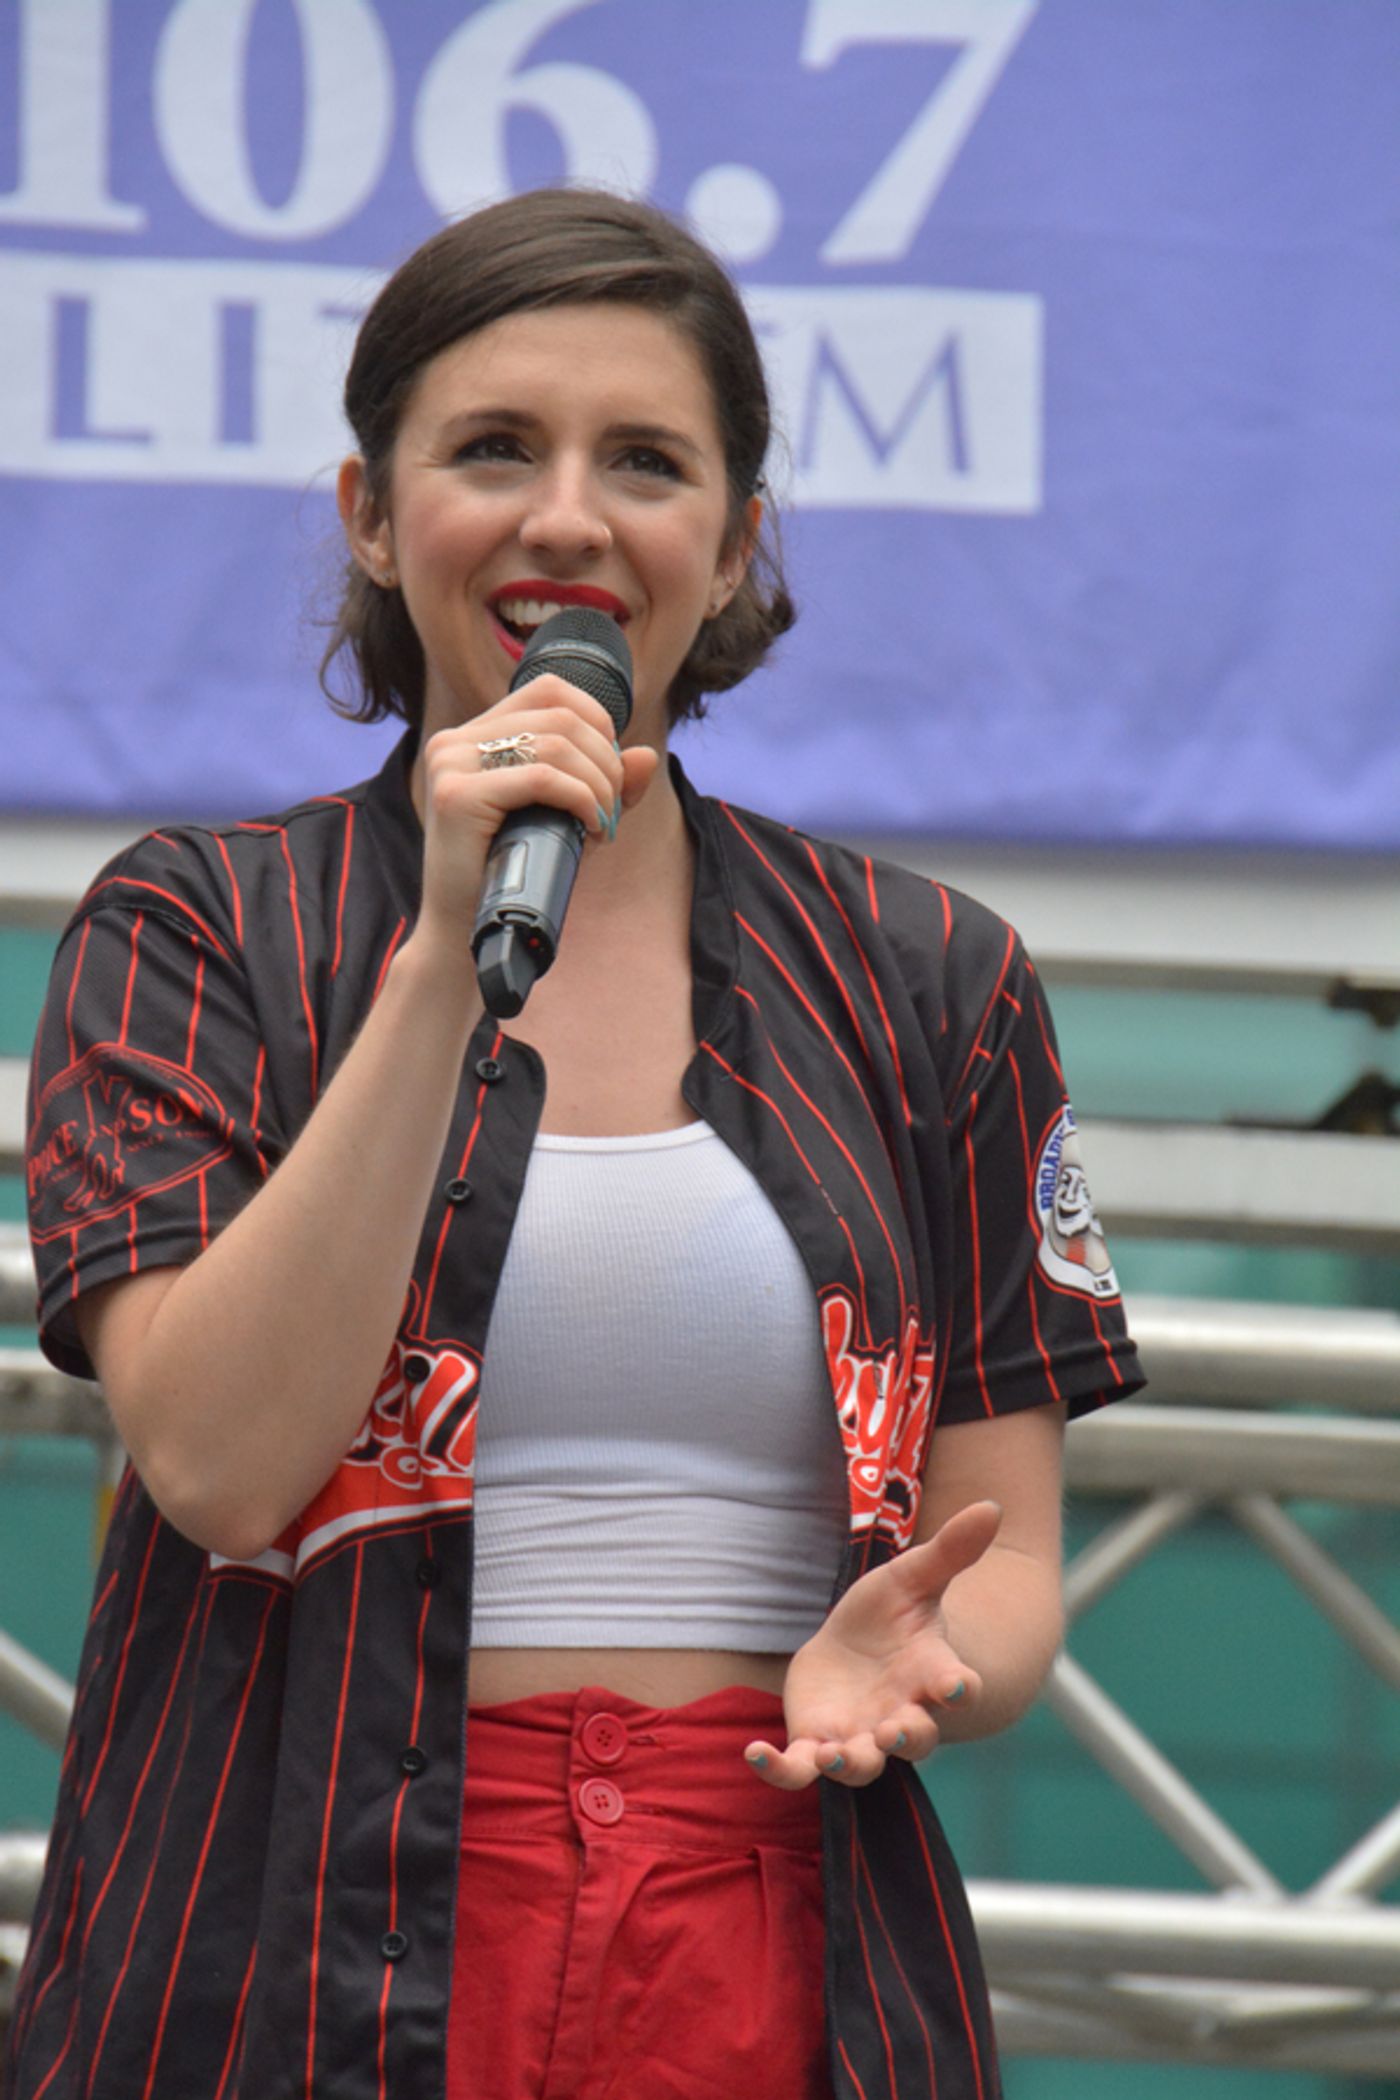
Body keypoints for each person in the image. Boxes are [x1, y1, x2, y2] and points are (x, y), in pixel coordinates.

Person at [10, 188, 1143, 2100]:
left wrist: (932, 1667)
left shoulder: (933, 975)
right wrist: (446, 957)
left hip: (769, 1924)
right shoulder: (200, 929)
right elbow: (214, 1462)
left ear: (734, 540)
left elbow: (1004, 1545)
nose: (568, 518)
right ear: (372, 515)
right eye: (491, 450)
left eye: (646, 461)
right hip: (287, 1941)